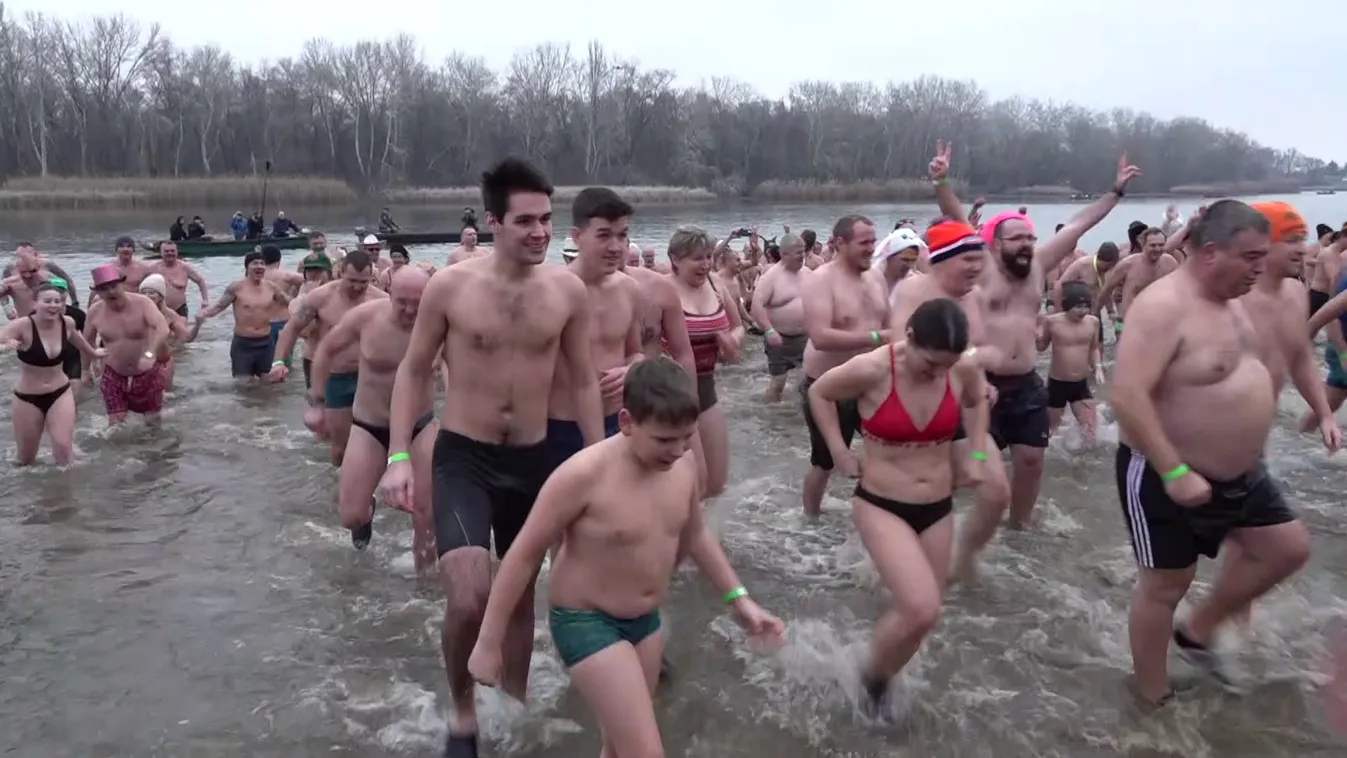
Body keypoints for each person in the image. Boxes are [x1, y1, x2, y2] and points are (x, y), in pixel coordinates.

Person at [375, 157, 603, 758]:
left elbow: (583, 380)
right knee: (471, 596)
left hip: (534, 460)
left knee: (519, 598)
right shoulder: (452, 288)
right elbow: (413, 370)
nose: (541, 232)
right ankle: (463, 711)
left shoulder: (567, 291)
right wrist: (398, 456)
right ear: (493, 222)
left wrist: (599, 461)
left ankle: (516, 705)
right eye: (525, 220)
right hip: (465, 459)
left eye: (547, 219)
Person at [468, 356, 783, 756]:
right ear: (627, 422)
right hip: (586, 622)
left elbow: (695, 534)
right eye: (664, 440)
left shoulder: (683, 465)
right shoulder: (581, 475)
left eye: (686, 437)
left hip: (645, 622)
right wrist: (488, 642)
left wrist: (739, 599)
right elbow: (523, 555)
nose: (677, 450)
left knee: (618, 748)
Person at [1110, 199, 1328, 708]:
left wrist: (1321, 412)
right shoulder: (1164, 307)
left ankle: (1198, 630)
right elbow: (1127, 395)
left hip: (1241, 473)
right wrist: (1174, 470)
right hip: (1162, 471)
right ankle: (1152, 699)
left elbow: (1287, 355)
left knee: (1287, 547)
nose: (1259, 268)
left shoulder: (1235, 298)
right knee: (1167, 584)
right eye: (1251, 258)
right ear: (1211, 253)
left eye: (1264, 256)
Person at [930, 140, 1140, 533]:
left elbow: (1080, 224)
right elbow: (956, 215)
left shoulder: (1040, 265)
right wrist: (941, 181)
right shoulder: (983, 268)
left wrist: (1116, 191)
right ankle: (947, 525)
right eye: (1017, 239)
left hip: (1025, 383)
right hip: (981, 383)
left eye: (1029, 238)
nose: (1027, 244)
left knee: (1031, 460)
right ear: (995, 244)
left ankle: (1019, 527)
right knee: (969, 470)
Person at [808, 298, 987, 714]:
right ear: (909, 337)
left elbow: (978, 400)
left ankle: (875, 676)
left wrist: (977, 454)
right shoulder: (873, 368)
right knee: (921, 609)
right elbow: (819, 392)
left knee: (926, 617)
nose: (939, 374)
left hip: (938, 506)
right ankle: (871, 682)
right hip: (882, 504)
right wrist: (838, 450)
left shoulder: (960, 367)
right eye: (931, 364)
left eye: (947, 365)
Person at [309, 267, 437, 566]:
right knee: (351, 516)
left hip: (419, 426)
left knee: (426, 514)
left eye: (417, 303)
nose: (410, 310)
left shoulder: (439, 324)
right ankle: (368, 508)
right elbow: (326, 350)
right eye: (402, 302)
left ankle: (424, 582)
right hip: (370, 425)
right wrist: (317, 401)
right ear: (389, 293)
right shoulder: (366, 317)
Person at [546, 188, 643, 472]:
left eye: (622, 236)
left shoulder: (630, 290)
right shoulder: (551, 292)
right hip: (561, 426)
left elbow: (636, 352)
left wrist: (632, 370)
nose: (616, 247)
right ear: (577, 236)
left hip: (618, 421)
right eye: (604, 235)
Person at [799, 214, 889, 519]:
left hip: (871, 383)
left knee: (890, 452)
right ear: (839, 243)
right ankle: (810, 518)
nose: (871, 248)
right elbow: (820, 337)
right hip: (828, 388)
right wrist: (876, 337)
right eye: (864, 243)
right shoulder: (820, 280)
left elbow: (891, 325)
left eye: (873, 241)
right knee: (825, 463)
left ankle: (875, 513)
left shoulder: (876, 278)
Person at [269, 250, 385, 464]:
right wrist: (278, 362)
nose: (357, 287)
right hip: (333, 376)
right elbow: (291, 330)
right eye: (352, 281)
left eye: (363, 282)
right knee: (338, 443)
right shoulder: (321, 297)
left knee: (373, 438)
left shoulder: (381, 300)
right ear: (340, 273)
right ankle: (333, 478)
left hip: (367, 376)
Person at [665, 225, 744, 498]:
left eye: (709, 256)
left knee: (716, 485)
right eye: (697, 258)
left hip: (706, 389)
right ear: (675, 259)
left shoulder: (715, 284)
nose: (706, 264)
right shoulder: (662, 290)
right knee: (693, 486)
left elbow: (738, 326)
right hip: (671, 394)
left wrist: (732, 340)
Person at [1, 281, 104, 465]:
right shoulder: (22, 326)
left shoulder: (67, 323)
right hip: (27, 398)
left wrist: (95, 353)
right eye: (47, 301)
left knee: (64, 451)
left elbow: (79, 341)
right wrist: (6, 345)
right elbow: (2, 339)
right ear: (35, 303)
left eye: (58, 301)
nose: (54, 305)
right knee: (25, 460)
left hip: (60, 393)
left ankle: (68, 483)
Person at [83, 264, 170, 425]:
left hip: (147, 373)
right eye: (104, 289)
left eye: (114, 286)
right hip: (113, 374)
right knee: (116, 426)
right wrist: (84, 370)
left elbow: (163, 329)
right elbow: (86, 341)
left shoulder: (143, 303)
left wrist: (150, 354)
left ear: (122, 284)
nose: (111, 292)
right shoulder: (95, 312)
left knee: (152, 422)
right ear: (97, 292)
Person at [195, 252, 292, 381]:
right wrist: (203, 314)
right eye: (255, 263)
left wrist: (306, 301)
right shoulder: (236, 288)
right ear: (247, 267)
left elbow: (289, 302)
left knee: (271, 384)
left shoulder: (271, 287)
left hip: (266, 343)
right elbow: (219, 306)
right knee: (243, 385)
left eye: (262, 263)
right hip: (243, 344)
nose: (259, 266)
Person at [1037, 282, 1104, 442]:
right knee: (1049, 431)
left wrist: (1098, 367)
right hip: (1057, 383)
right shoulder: (1052, 322)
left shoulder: (1093, 322)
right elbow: (1041, 348)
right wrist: (1035, 334)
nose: (1083, 311)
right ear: (1067, 305)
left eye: (1086, 306)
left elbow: (1094, 348)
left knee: (1090, 432)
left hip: (1081, 383)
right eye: (1078, 307)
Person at [750, 233, 811, 402]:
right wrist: (769, 330)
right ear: (784, 254)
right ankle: (770, 413)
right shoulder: (771, 277)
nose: (802, 256)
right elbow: (756, 306)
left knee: (811, 378)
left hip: (805, 337)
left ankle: (801, 411)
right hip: (779, 339)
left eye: (803, 251)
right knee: (779, 381)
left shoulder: (807, 273)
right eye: (797, 252)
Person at [1092, 227, 1178, 335]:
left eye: (1161, 245)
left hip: (1158, 321)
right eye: (1153, 245)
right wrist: (1095, 315)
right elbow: (1106, 290)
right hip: (1127, 321)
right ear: (1142, 244)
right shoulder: (1128, 264)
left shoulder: (1170, 263)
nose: (1157, 249)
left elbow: (1181, 290)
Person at [138, 274, 202, 391]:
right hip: (141, 359)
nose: (147, 296)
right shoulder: (135, 312)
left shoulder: (169, 315)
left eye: (151, 293)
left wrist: (197, 324)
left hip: (162, 360)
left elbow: (187, 338)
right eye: (143, 293)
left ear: (161, 296)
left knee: (166, 396)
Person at [1052, 242, 1120, 341]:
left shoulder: (1109, 271)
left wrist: (1111, 311)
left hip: (1094, 313)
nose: (1110, 268)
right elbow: (1059, 286)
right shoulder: (1081, 265)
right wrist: (1058, 313)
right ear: (1102, 260)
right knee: (1078, 343)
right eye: (1108, 265)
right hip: (1076, 313)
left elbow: (1106, 291)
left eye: (1112, 266)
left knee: (1097, 343)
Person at [147, 241, 210, 318]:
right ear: (161, 253)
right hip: (159, 309)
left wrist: (205, 299)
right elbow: (139, 284)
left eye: (172, 251)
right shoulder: (153, 268)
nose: (170, 253)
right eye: (166, 251)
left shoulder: (184, 267)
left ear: (177, 252)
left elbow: (200, 280)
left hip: (180, 308)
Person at [871, 227, 926, 304]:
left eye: (913, 260)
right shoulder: (870, 279)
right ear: (889, 257)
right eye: (905, 260)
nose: (909, 265)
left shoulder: (916, 284)